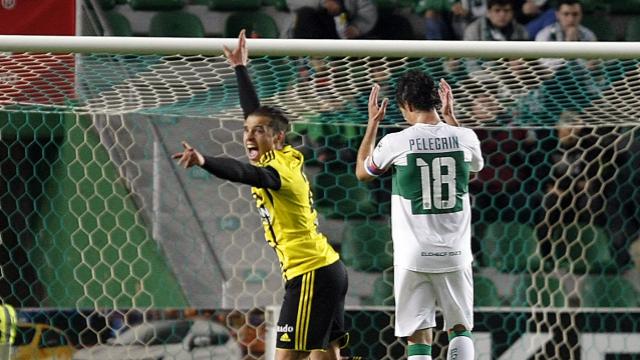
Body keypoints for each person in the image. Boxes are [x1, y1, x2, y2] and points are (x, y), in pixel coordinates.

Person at [172, 30, 349, 360]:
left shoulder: (277, 171)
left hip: (310, 272)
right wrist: (240, 67)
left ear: (278, 137)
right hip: (325, 269)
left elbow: (245, 173)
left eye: (258, 132)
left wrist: (204, 160)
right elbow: (255, 113)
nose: (249, 136)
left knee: (285, 356)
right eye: (246, 131)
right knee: (324, 355)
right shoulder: (282, 155)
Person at [355, 71, 484, 360]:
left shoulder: (396, 141)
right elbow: (473, 170)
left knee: (418, 333)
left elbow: (363, 172)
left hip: (413, 255)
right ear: (438, 101)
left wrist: (372, 125)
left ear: (407, 105)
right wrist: (452, 120)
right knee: (460, 328)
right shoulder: (465, 137)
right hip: (455, 252)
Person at [285, 0, 378, 39]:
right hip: (311, 31)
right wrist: (323, 2)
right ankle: (305, 63)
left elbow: (368, 10)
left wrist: (357, 28)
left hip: (344, 33)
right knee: (305, 14)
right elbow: (293, 2)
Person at [463, 0, 529, 41]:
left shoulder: (521, 30)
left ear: (512, 13)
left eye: (506, 10)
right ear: (488, 13)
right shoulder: (474, 30)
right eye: (497, 10)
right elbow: (470, 60)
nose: (502, 15)